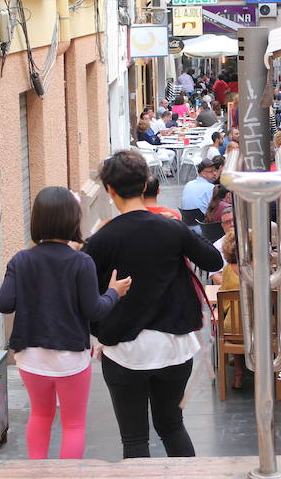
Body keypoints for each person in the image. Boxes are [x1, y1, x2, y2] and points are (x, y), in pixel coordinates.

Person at [83, 151, 222, 459]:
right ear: (146, 182)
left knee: (134, 439)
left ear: (110, 190)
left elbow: (83, 295)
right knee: (172, 426)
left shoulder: (102, 239)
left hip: (123, 350)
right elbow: (213, 259)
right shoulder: (170, 228)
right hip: (174, 346)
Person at [0, 187, 131, 460]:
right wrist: (114, 292)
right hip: (71, 357)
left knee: (41, 415)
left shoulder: (21, 260)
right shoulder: (81, 262)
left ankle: (37, 474)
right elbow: (94, 310)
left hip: (30, 357)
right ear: (72, 220)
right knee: (73, 424)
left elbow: (3, 303)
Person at [217, 231, 246, 389]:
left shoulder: (228, 270)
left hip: (233, 332)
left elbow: (224, 301)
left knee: (235, 321)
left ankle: (238, 373)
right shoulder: (263, 269)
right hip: (263, 333)